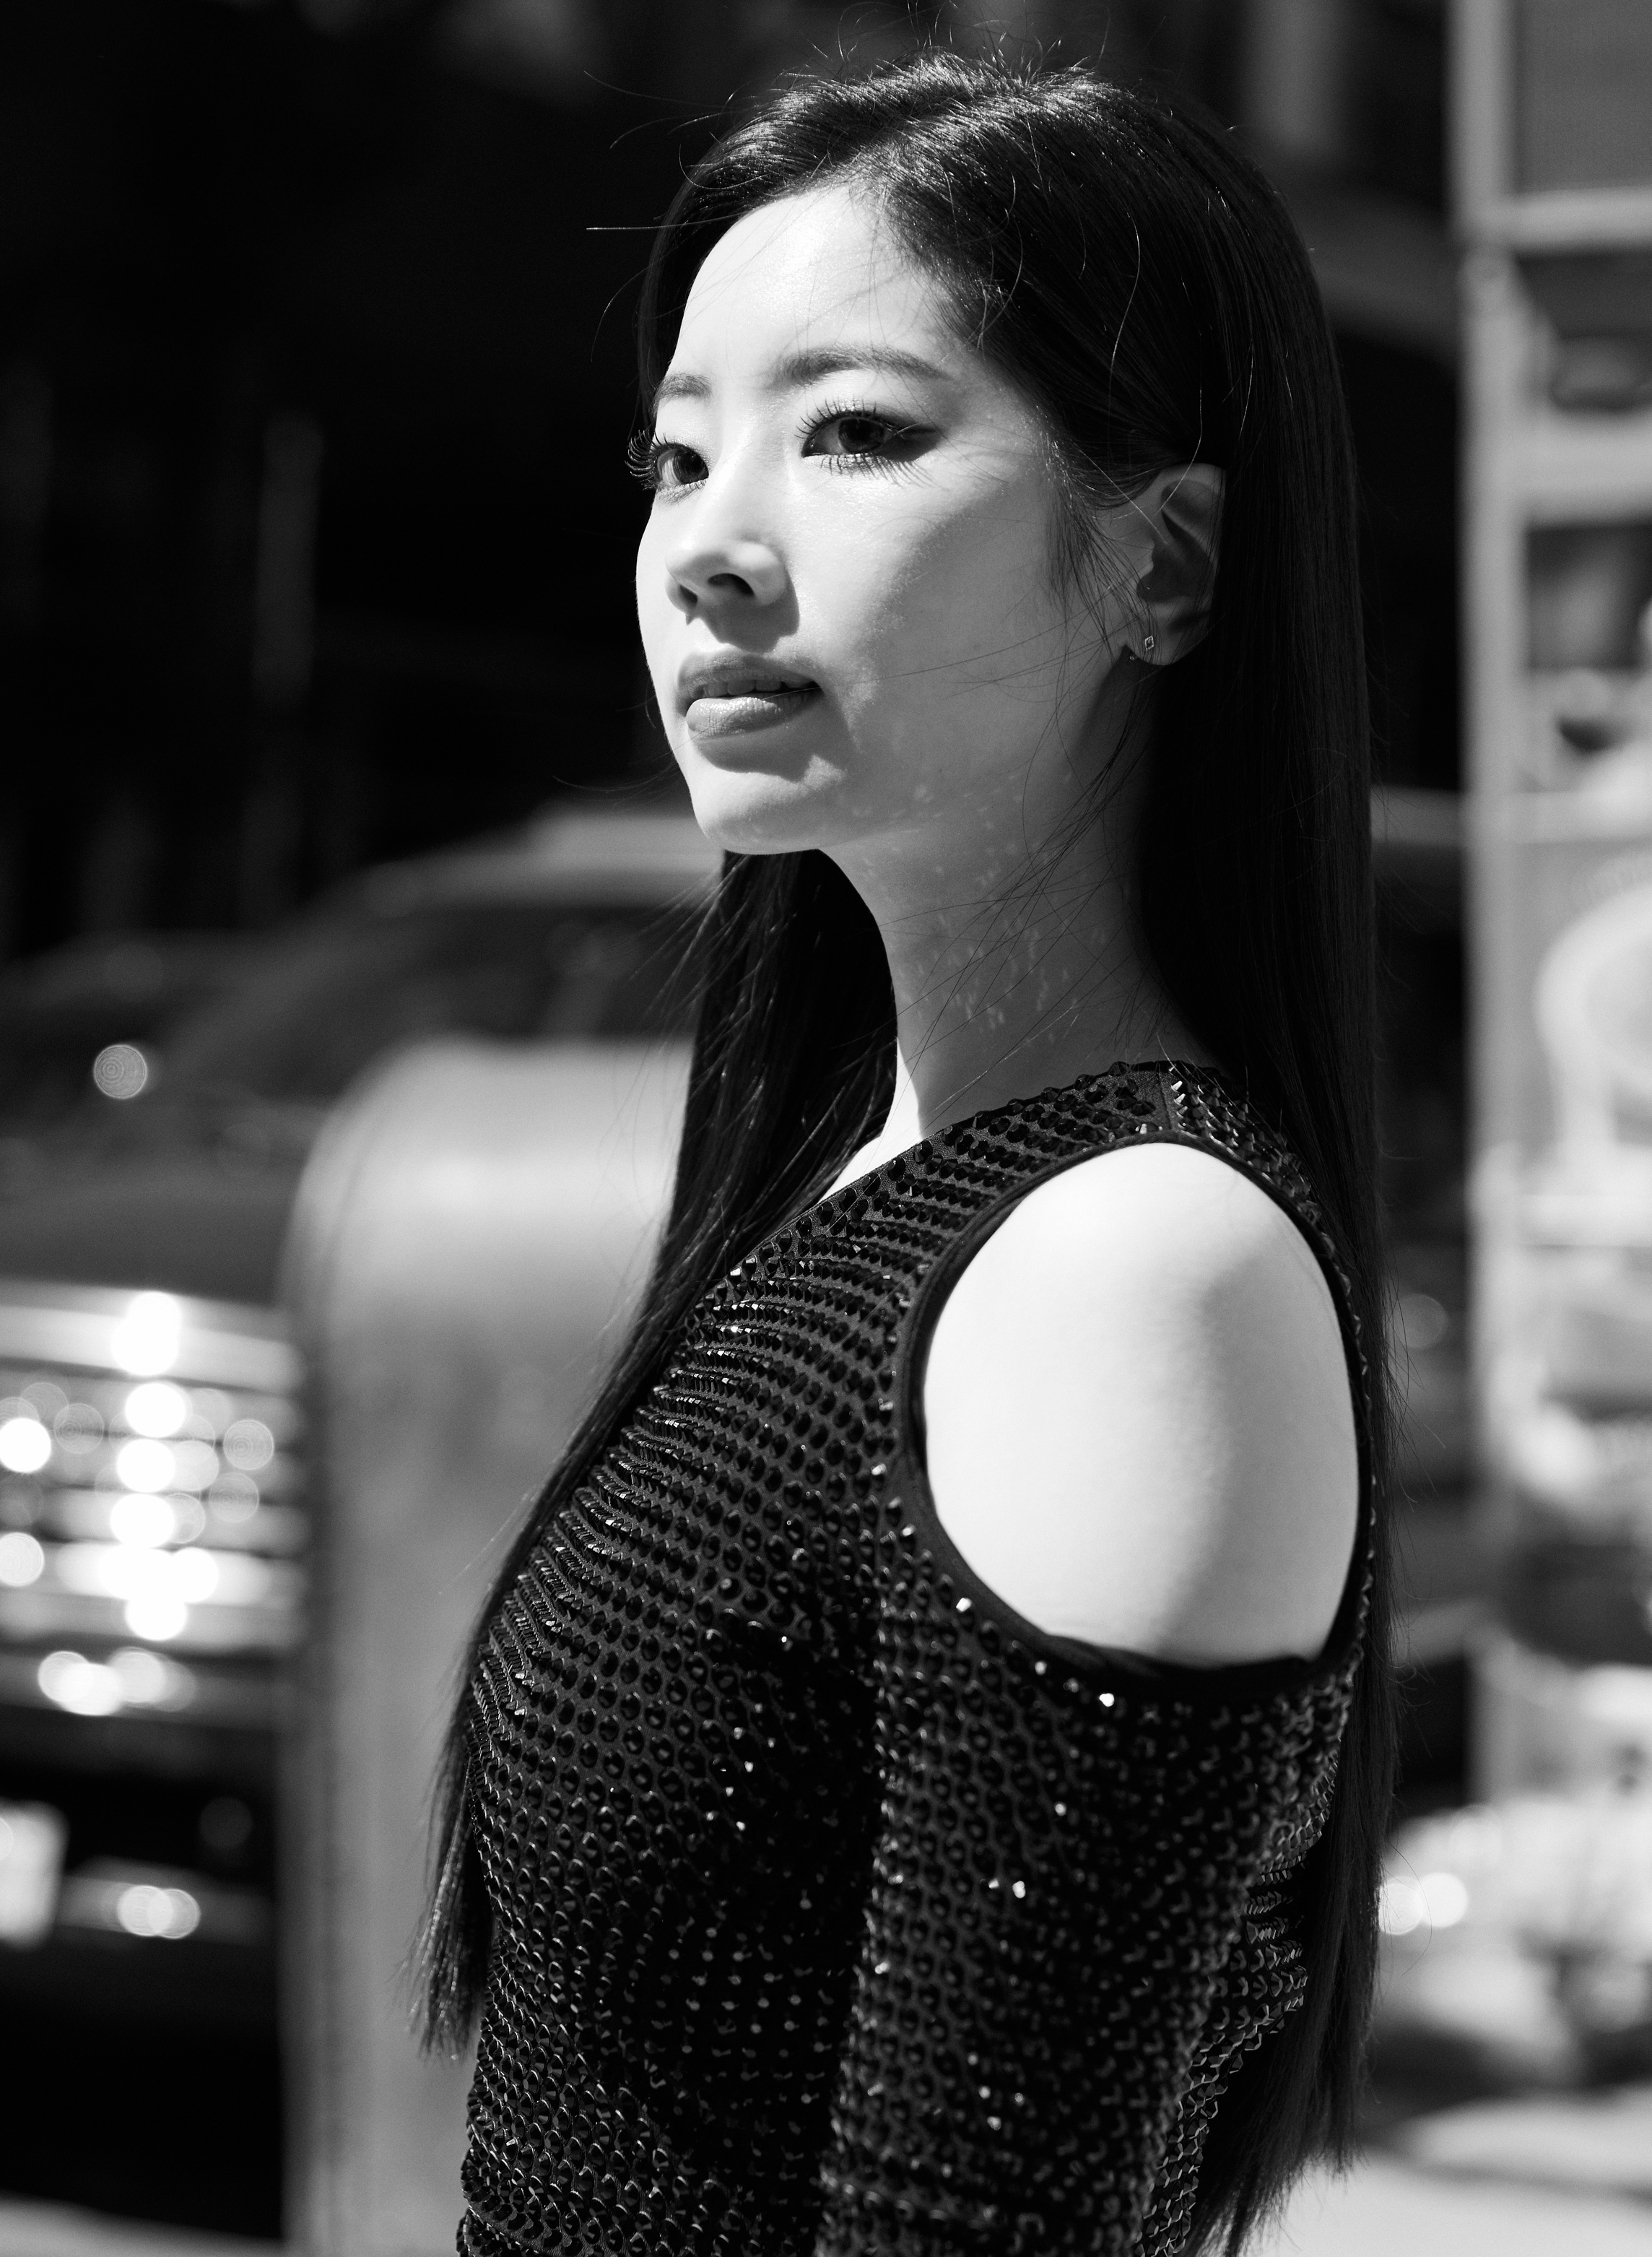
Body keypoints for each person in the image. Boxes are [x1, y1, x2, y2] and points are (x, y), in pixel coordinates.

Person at [421, 49, 1393, 2257]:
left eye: (855, 433)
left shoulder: (1123, 1261)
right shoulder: (864, 1177)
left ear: (1162, 564)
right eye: (677, 457)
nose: (710, 547)